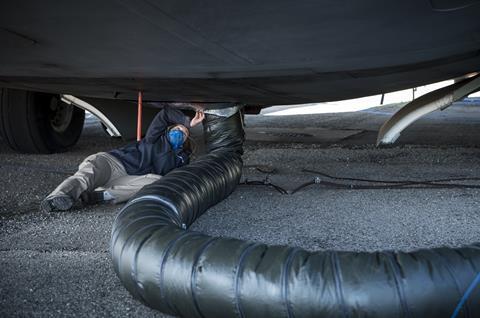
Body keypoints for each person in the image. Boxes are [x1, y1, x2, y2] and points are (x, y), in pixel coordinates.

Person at [40, 106, 205, 212]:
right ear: (169, 130)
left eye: (184, 133)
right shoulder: (155, 138)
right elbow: (165, 112)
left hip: (129, 180)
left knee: (157, 182)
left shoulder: (180, 160)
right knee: (88, 174)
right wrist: (187, 122)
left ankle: (97, 197)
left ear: (186, 141)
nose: (180, 132)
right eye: (177, 129)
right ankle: (57, 198)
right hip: (113, 163)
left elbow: (178, 179)